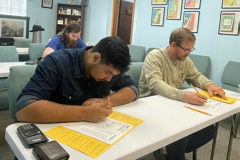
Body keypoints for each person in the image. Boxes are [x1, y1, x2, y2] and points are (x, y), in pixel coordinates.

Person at [139, 27, 226, 160]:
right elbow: (155, 84)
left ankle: (169, 153)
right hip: (152, 106)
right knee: (180, 137)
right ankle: (172, 151)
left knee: (209, 131)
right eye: (186, 49)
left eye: (191, 49)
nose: (189, 53)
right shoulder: (155, 57)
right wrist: (184, 96)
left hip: (173, 105)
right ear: (173, 45)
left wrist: (209, 84)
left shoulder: (184, 60)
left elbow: (195, 76)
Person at [16, 36, 138, 123]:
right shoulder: (57, 62)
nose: (109, 79)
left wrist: (105, 101)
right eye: (108, 73)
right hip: (54, 133)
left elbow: (132, 89)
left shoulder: (110, 66)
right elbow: (24, 108)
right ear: (95, 58)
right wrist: (84, 113)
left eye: (114, 75)